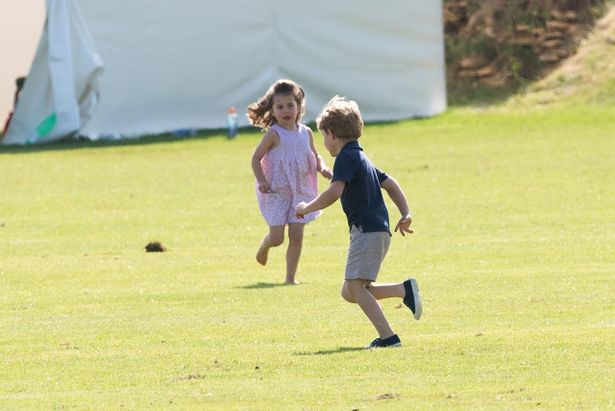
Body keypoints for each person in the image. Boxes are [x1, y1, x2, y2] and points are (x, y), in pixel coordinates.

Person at [295, 96, 422, 348]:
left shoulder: (345, 158)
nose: (324, 143)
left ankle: (389, 337)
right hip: (378, 231)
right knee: (350, 291)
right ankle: (403, 290)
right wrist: (405, 212)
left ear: (331, 134)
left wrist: (306, 208)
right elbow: (390, 182)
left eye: (324, 136)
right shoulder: (361, 156)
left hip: (366, 231)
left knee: (355, 286)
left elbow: (334, 192)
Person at [248, 79, 332, 285]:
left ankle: (290, 278)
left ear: (299, 107)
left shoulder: (306, 132)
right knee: (278, 238)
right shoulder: (274, 134)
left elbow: (315, 154)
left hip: (300, 192)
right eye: (279, 107)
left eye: (290, 105)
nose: (285, 110)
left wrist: (322, 168)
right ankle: (265, 245)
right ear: (273, 110)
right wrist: (261, 181)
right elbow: (255, 158)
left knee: (297, 235)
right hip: (277, 192)